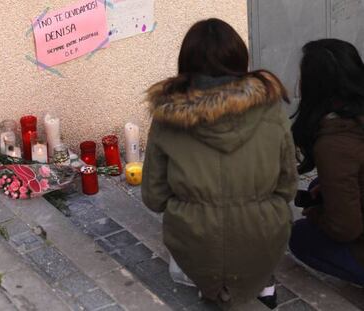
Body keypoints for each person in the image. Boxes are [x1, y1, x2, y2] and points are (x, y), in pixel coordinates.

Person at [141, 18, 298, 309]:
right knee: (254, 240)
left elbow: (154, 197)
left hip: (195, 241)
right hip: (263, 234)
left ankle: (212, 287)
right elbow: (288, 185)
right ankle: (264, 287)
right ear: (240, 59)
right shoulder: (271, 110)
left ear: (186, 63)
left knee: (209, 252)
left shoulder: (167, 119)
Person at [290, 39, 364, 286]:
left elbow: (346, 228)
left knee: (299, 235)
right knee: (318, 187)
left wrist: (317, 215)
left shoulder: (334, 143)